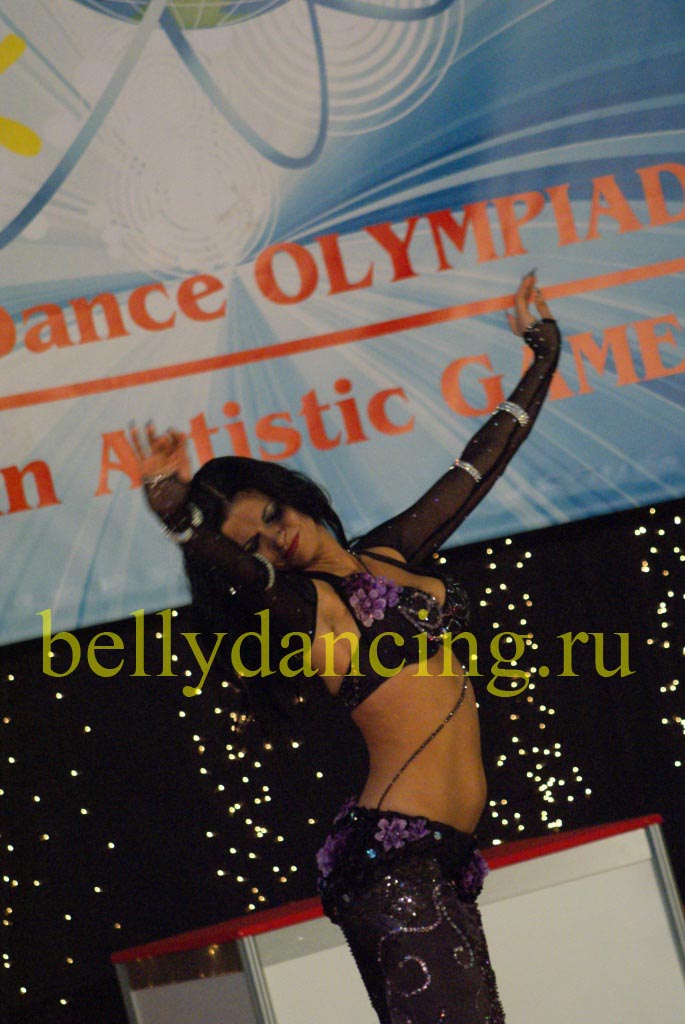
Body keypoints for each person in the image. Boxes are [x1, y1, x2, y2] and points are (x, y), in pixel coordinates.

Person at [131, 272, 560, 1024]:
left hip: (436, 864)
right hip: (396, 869)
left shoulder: (389, 553)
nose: (274, 538)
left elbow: (479, 464)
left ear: (289, 494)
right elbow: (240, 573)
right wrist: (181, 522)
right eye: (254, 543)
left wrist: (544, 355)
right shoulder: (311, 609)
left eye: (271, 515)